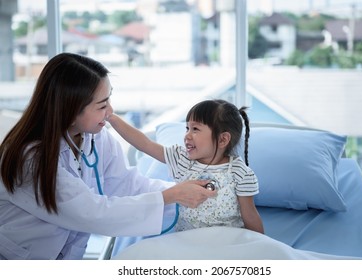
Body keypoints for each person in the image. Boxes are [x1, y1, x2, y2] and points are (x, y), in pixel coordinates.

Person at [0, 53, 215, 260]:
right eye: (102, 105)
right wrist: (172, 196)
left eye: (109, 100)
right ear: (70, 109)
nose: (110, 111)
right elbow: (90, 212)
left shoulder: (96, 138)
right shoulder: (29, 159)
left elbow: (126, 184)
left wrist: (184, 190)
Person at [108, 99, 265, 234]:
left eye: (195, 129)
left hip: (227, 242)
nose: (187, 135)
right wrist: (112, 118)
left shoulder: (239, 173)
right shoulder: (182, 160)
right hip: (188, 243)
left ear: (223, 139)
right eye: (187, 128)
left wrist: (260, 250)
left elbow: (250, 216)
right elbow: (145, 144)